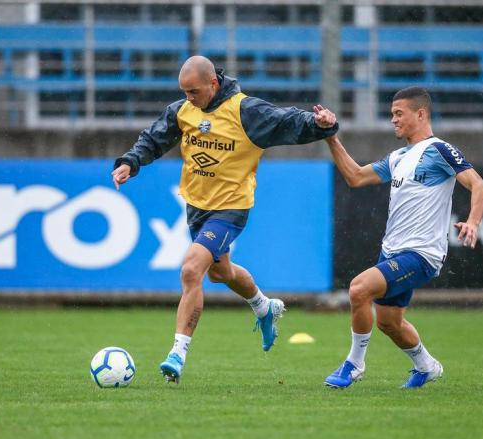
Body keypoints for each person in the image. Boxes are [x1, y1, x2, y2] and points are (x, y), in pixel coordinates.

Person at [111, 55, 338, 383]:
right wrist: (131, 162)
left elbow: (286, 121)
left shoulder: (245, 111)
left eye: (194, 91)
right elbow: (154, 138)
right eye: (184, 91)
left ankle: (178, 352)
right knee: (221, 272)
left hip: (231, 207)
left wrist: (321, 124)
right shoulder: (183, 111)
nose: (189, 97)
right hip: (197, 206)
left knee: (192, 270)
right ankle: (264, 307)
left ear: (213, 84)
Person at [322, 86, 483, 389]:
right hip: (393, 251)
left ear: (421, 114)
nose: (393, 120)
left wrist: (473, 222)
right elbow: (355, 177)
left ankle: (354, 364)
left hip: (422, 254)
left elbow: (479, 185)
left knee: (359, 289)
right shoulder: (399, 157)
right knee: (389, 323)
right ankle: (426, 366)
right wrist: (331, 137)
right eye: (392, 115)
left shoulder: (438, 150)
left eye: (399, 114)